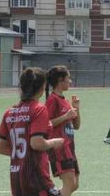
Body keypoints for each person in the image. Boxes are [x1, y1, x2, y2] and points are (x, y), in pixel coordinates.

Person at [0, 67, 65, 196]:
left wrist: (22, 155)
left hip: (16, 176)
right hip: (36, 175)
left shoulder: (9, 112)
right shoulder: (39, 109)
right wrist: (53, 143)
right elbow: (36, 143)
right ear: (43, 87)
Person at [46, 65, 81, 196]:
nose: (70, 81)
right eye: (68, 78)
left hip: (70, 147)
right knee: (70, 184)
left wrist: (77, 109)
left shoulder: (65, 100)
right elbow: (46, 124)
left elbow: (76, 126)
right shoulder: (52, 100)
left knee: (75, 184)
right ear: (61, 80)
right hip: (60, 147)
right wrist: (66, 116)